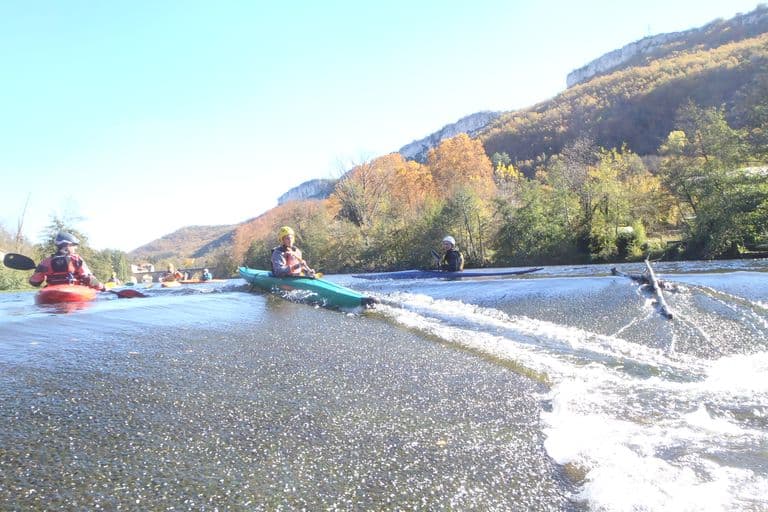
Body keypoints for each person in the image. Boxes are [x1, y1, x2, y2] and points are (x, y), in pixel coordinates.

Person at [28, 232, 105, 290]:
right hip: (74, 291)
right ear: (68, 245)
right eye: (74, 245)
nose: (75, 248)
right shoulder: (76, 260)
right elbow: (88, 279)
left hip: (52, 292)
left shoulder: (45, 262)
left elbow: (35, 282)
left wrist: (38, 270)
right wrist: (102, 287)